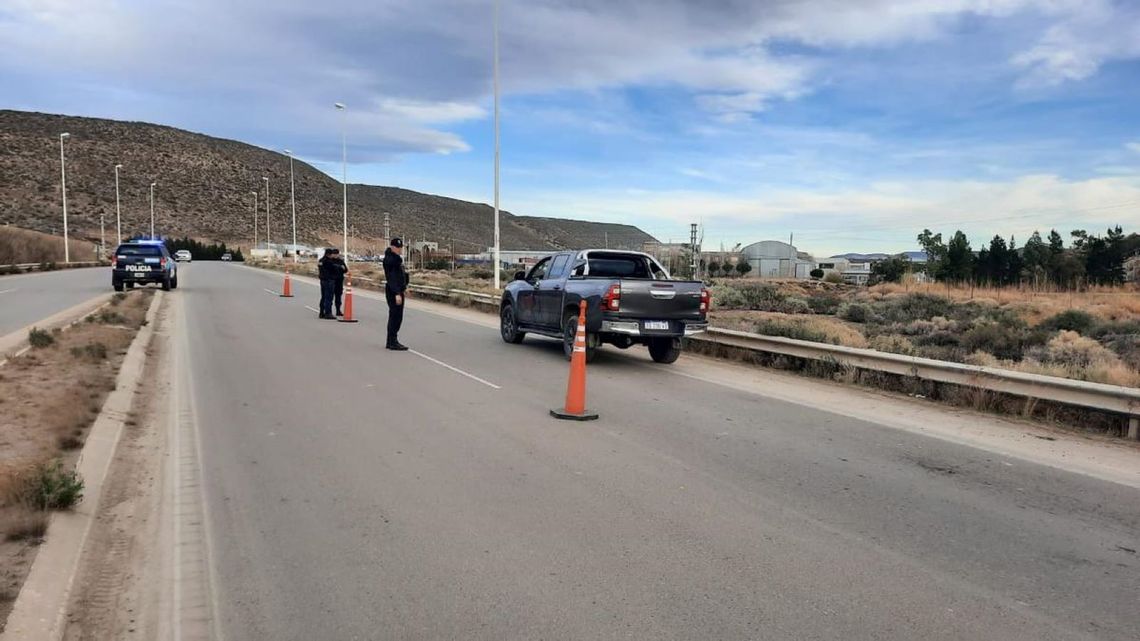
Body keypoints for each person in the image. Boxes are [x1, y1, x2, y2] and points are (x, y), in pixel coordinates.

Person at [382, 238, 409, 350]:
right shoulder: (390, 260)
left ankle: (392, 340)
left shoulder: (397, 260)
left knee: (398, 316)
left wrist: (405, 287)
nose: (399, 249)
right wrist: (397, 293)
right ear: (392, 247)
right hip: (393, 290)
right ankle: (392, 341)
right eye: (397, 247)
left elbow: (401, 275)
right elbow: (392, 278)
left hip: (398, 289)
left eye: (400, 248)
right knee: (395, 316)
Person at [317, 248, 337, 319]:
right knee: (329, 297)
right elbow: (333, 270)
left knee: (323, 297)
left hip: (322, 280)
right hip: (329, 280)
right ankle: (328, 313)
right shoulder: (329, 262)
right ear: (329, 254)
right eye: (331, 254)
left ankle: (321, 312)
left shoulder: (320, 261)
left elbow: (320, 269)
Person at [329, 249, 348, 316]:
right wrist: (339, 267)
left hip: (339, 281)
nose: (335, 255)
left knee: (338, 296)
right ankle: (329, 311)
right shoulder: (330, 261)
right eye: (334, 254)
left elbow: (345, 270)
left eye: (336, 254)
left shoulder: (340, 261)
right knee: (330, 297)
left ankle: (338, 310)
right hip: (331, 280)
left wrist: (342, 268)